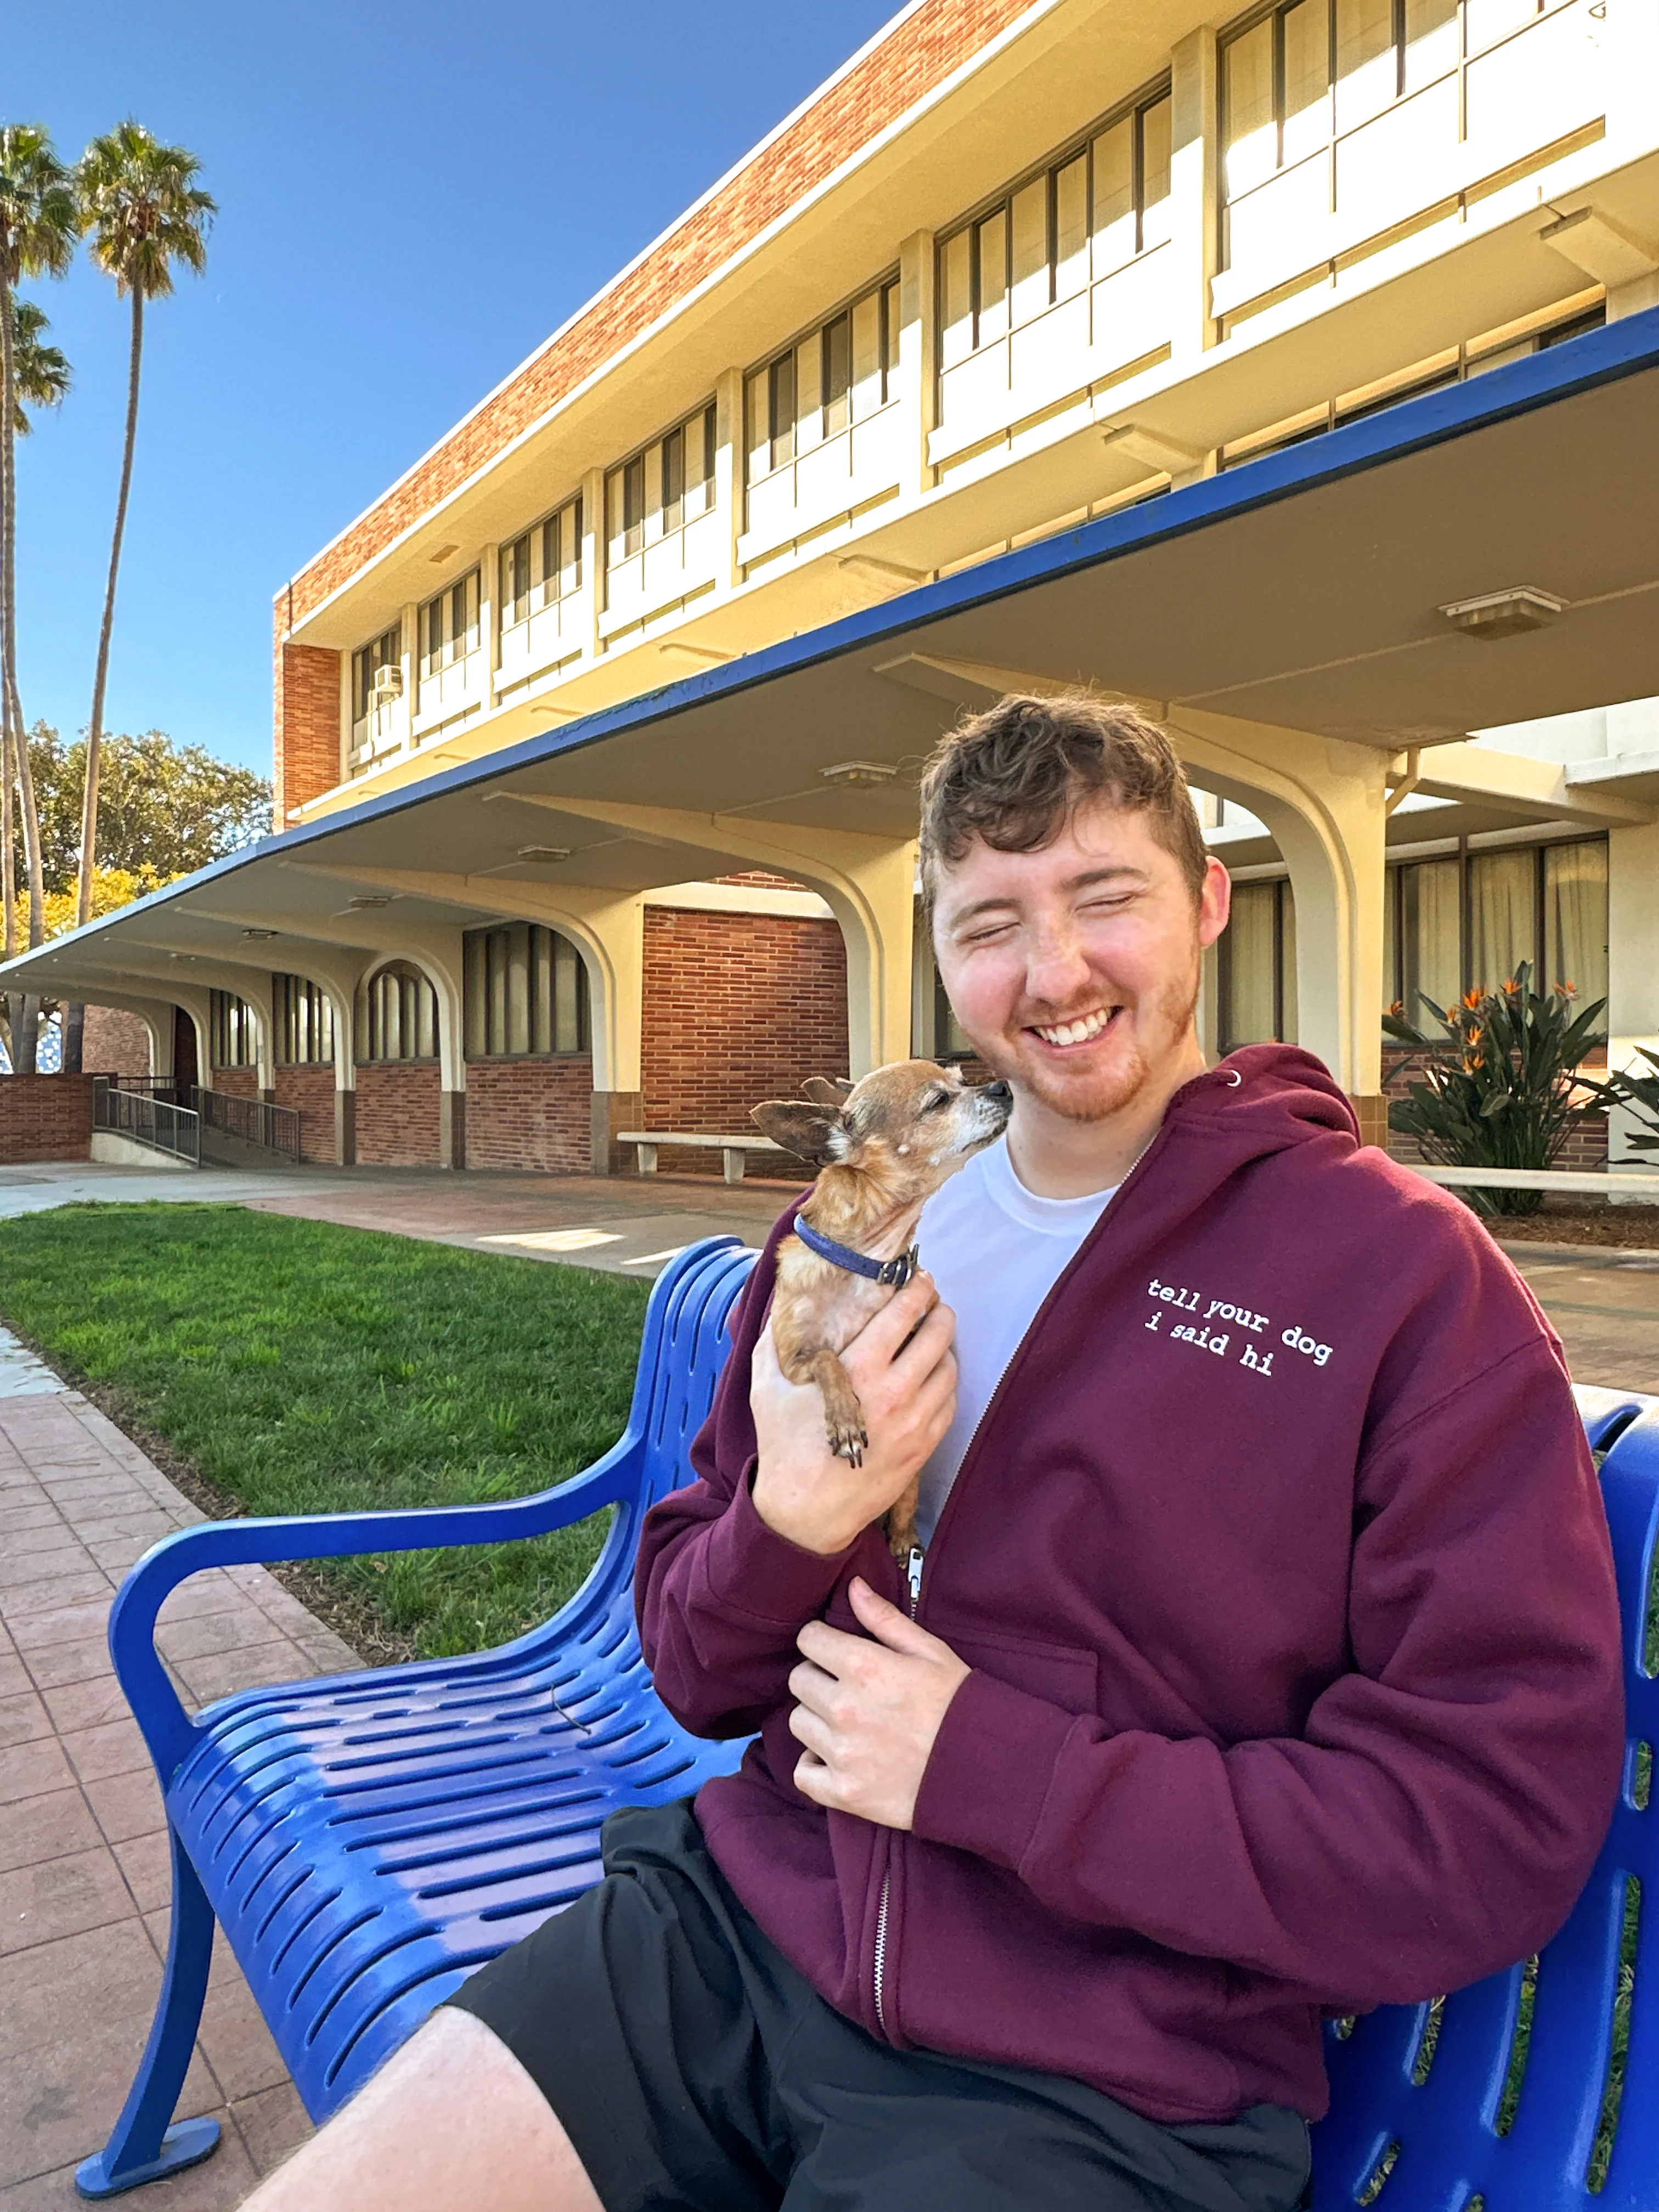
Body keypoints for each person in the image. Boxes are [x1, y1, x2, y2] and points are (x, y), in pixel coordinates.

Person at [240, 696, 1623, 2212]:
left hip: (1095, 2077)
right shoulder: (848, 1246)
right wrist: (787, 1519)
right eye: (992, 925)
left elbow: (1490, 1822)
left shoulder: (1399, 1277)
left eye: (1106, 898)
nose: (1055, 973)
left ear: (1208, 902)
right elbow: (696, 1670)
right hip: (737, 1933)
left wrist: (999, 1773)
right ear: (944, 955)